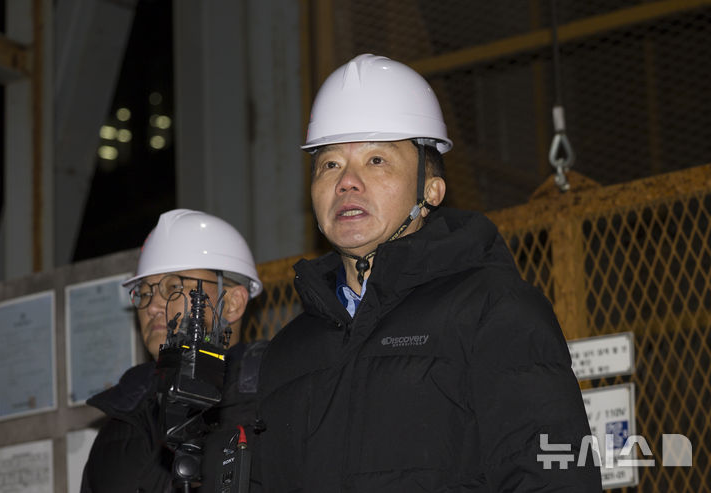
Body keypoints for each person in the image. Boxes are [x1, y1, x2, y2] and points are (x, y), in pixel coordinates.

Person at [256, 54, 602, 491]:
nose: (347, 182)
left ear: (431, 191)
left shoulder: (493, 310)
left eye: (376, 160)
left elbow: (554, 478)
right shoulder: (287, 353)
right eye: (330, 164)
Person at [81, 209, 265, 492]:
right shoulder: (118, 425)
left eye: (173, 288)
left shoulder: (273, 400)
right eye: (145, 293)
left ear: (233, 303)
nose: (153, 306)